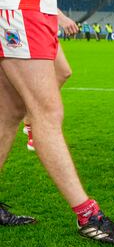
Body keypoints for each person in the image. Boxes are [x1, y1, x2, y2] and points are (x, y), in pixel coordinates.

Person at [0, 0, 114, 243]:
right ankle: (89, 216)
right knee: (46, 114)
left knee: (10, 113)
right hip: (18, 6)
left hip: (30, 5)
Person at [23, 10, 77, 152]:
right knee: (33, 80)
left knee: (64, 72)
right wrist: (63, 18)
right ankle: (32, 127)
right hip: (30, 17)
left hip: (46, 20)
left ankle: (29, 118)